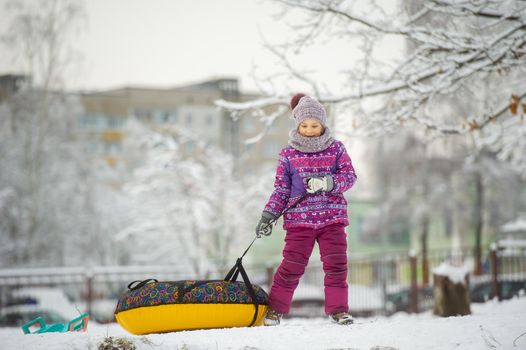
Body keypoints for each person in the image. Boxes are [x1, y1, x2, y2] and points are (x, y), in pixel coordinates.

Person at [256, 93, 357, 326]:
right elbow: (281, 190)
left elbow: (349, 177)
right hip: (299, 222)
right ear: (297, 124)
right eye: (304, 125)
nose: (310, 129)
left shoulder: (336, 148)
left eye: (314, 125)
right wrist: (268, 216)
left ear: (323, 124)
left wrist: (328, 183)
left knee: (336, 266)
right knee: (290, 267)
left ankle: (339, 311)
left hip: (332, 219)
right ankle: (275, 311)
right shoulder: (288, 154)